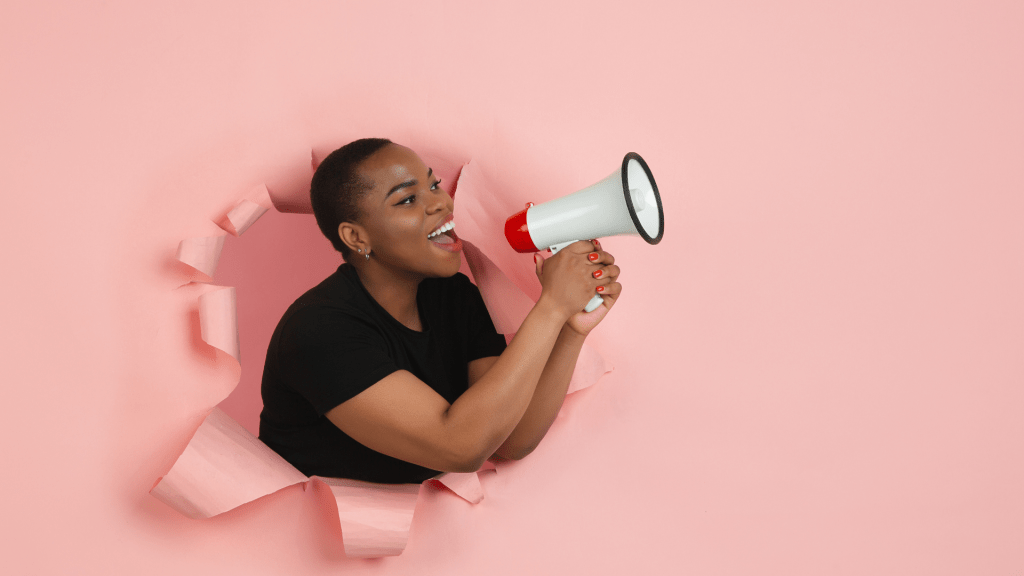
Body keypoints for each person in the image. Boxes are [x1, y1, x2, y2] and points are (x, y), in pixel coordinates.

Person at [258, 138, 621, 484]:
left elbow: (511, 440)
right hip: (306, 535)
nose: (440, 204)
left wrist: (572, 329)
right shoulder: (318, 332)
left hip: (421, 537)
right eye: (406, 200)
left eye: (434, 186)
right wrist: (552, 307)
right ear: (357, 238)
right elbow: (461, 448)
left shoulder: (452, 297)